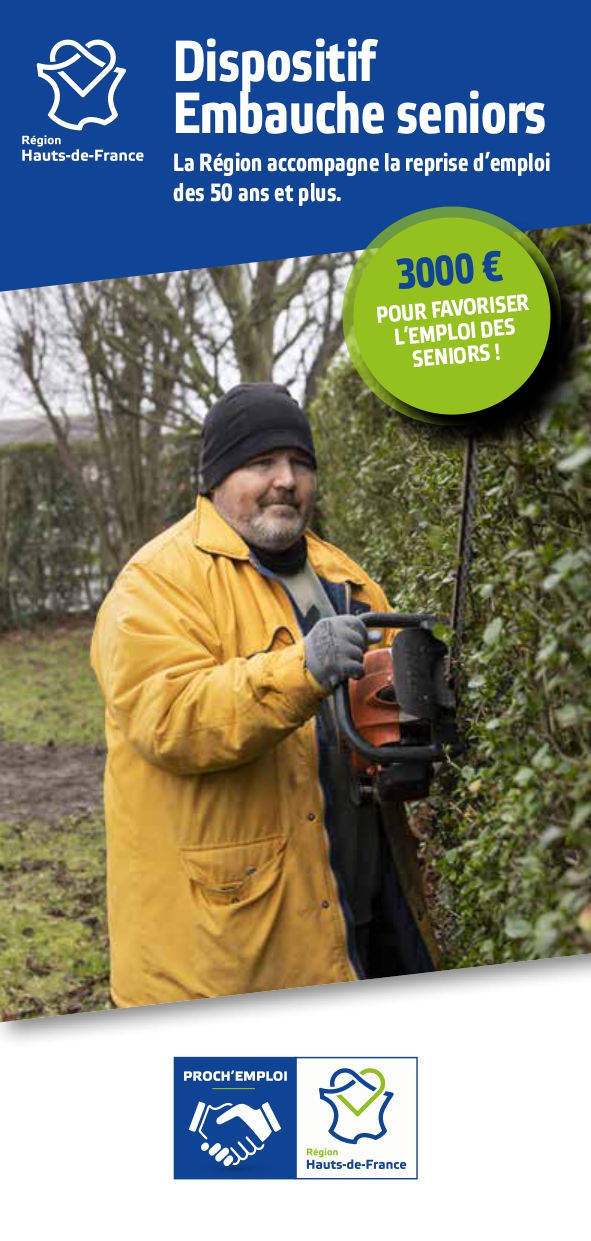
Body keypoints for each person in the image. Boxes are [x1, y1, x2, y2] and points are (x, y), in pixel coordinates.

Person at [91, 382, 437, 1008]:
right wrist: (300, 668)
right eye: (261, 463)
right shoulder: (154, 584)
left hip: (356, 909)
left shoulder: (346, 578)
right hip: (227, 947)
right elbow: (169, 719)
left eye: (301, 463)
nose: (286, 480)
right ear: (216, 478)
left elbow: (387, 717)